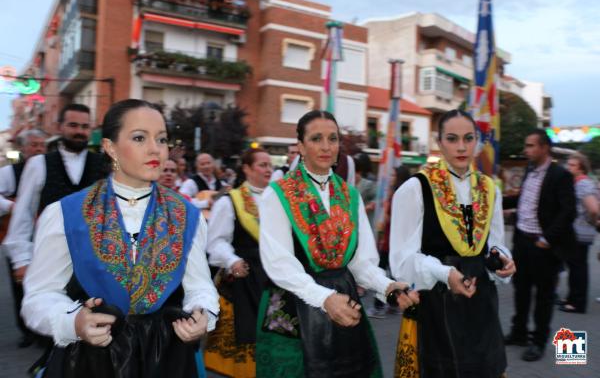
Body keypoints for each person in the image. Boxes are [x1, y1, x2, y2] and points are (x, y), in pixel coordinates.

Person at [21, 99, 219, 377]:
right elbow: (39, 296)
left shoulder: (186, 214)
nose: (155, 149)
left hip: (165, 356)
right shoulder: (67, 213)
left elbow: (199, 285)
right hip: (92, 359)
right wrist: (73, 322)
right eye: (139, 137)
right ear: (110, 147)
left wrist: (202, 314)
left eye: (162, 139)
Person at [256, 110, 418, 377]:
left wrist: (387, 286)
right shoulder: (278, 194)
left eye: (332, 139)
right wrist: (325, 298)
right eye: (316, 138)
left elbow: (361, 261)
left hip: (344, 300)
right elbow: (280, 264)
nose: (325, 146)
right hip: (293, 303)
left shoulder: (349, 194)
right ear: (300, 147)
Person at [390, 109, 516, 377]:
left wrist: (501, 260)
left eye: (468, 138)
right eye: (452, 138)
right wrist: (444, 272)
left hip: (480, 302)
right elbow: (401, 261)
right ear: (439, 142)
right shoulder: (416, 188)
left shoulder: (489, 187)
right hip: (436, 301)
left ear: (477, 141)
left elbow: (493, 243)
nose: (461, 146)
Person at [4, 104, 107, 282]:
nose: (79, 131)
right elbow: (24, 213)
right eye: (73, 125)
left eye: (85, 127)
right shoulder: (39, 164)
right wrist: (21, 259)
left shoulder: (103, 165)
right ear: (60, 127)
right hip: (48, 257)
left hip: (92, 260)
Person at [503, 128, 576, 362]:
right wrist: (496, 200)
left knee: (543, 296)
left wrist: (547, 239)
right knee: (521, 290)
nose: (526, 150)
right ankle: (519, 332)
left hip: (543, 246)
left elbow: (568, 212)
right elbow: (524, 200)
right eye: (526, 145)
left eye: (531, 145)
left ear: (544, 148)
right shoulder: (529, 171)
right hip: (522, 241)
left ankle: (539, 341)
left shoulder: (560, 175)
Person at [204, 148, 273, 377]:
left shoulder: (277, 201)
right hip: (244, 277)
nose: (268, 169)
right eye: (262, 165)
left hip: (273, 278)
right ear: (246, 169)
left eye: (269, 165)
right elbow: (216, 242)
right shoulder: (230, 201)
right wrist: (232, 260)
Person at [0, 129, 46, 348]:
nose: (38, 149)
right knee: (20, 288)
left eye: (41, 145)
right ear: (23, 148)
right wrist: (12, 205)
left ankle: (42, 329)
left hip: (42, 239)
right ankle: (26, 331)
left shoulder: (49, 168)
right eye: (33, 144)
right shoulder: (10, 172)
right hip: (17, 237)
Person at [367, 165, 410, 319]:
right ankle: (394, 304)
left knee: (381, 273)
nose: (390, 178)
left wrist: (382, 224)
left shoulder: (396, 194)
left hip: (390, 241)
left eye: (393, 175)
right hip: (398, 241)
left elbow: (390, 218)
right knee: (393, 274)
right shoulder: (406, 193)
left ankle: (379, 307)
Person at [559, 152, 599, 313]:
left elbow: (594, 209)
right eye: (568, 164)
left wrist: (591, 221)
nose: (568, 168)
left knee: (578, 267)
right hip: (576, 231)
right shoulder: (577, 182)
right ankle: (571, 298)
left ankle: (577, 302)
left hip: (580, 232)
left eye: (572, 165)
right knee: (574, 265)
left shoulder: (583, 184)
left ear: (581, 168)